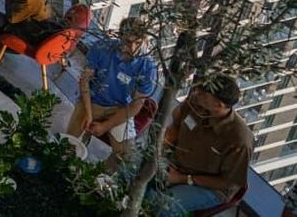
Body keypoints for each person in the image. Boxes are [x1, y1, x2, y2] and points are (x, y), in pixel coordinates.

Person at [153, 75, 253, 217]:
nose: (196, 94)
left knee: (164, 205)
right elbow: (175, 125)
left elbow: (229, 183)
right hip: (175, 163)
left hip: (209, 187)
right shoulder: (195, 103)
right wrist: (161, 152)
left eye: (204, 94)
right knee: (135, 173)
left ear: (219, 104)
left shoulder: (239, 139)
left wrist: (183, 178)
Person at [66, 17, 157, 169]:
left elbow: (136, 106)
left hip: (120, 109)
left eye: (138, 43)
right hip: (92, 101)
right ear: (120, 36)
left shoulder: (148, 67)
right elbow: (85, 81)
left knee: (126, 153)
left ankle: (97, 177)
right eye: (128, 42)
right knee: (69, 142)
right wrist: (88, 113)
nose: (133, 48)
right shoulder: (101, 48)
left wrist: (105, 126)